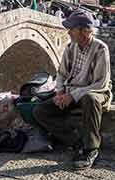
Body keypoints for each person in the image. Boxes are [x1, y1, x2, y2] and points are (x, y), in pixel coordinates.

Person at [33, 10, 112, 170]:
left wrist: (73, 96)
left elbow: (100, 83)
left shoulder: (100, 49)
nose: (68, 32)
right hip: (71, 92)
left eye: (72, 28)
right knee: (40, 111)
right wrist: (60, 92)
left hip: (96, 92)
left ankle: (91, 149)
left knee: (90, 98)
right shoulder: (71, 47)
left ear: (84, 31)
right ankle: (76, 142)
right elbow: (61, 74)